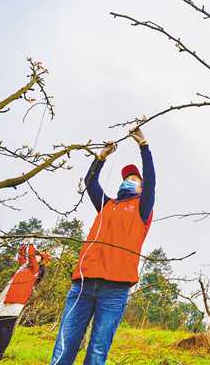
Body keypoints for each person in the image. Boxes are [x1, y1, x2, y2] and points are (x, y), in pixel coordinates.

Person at [50, 127, 155, 365]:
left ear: (141, 186)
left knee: (97, 352)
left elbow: (152, 181)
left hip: (114, 291)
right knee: (64, 346)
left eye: (135, 179)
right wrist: (101, 157)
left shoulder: (142, 208)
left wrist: (144, 145)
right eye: (127, 178)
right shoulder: (106, 205)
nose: (129, 180)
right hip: (82, 285)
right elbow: (90, 182)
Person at [0, 243, 50, 362]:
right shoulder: (25, 267)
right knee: (1, 329)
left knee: (5, 330)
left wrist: (31, 243)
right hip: (8, 299)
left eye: (38, 255)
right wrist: (23, 245)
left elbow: (30, 256)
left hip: (15, 301)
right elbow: (22, 256)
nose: (35, 256)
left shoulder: (35, 269)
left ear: (42, 260)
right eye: (36, 254)